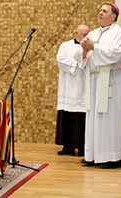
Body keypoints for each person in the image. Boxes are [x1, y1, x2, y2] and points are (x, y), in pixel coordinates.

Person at [75, 3, 121, 168]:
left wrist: (94, 48)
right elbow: (82, 55)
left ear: (113, 16)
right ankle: (93, 155)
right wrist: (84, 51)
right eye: (99, 10)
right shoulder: (94, 33)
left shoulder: (119, 34)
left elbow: (116, 54)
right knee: (94, 119)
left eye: (104, 11)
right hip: (95, 81)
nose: (100, 13)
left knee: (109, 120)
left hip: (111, 81)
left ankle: (113, 157)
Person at [55, 24, 90, 156]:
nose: (85, 37)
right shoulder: (65, 45)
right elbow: (61, 60)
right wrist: (77, 64)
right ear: (76, 33)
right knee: (67, 116)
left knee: (81, 118)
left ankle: (82, 147)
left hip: (82, 87)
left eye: (87, 34)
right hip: (68, 86)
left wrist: (82, 61)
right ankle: (67, 147)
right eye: (83, 34)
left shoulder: (89, 47)